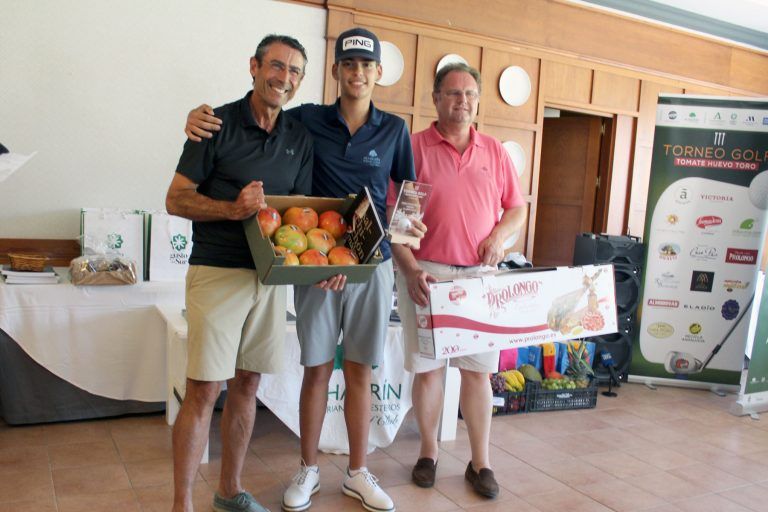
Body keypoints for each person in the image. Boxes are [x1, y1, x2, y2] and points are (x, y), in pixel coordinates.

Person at [185, 28, 419, 512]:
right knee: (315, 368)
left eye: (366, 66)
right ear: (335, 72)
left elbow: (408, 198)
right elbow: (259, 113)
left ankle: (358, 471)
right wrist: (196, 118)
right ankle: (308, 468)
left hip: (369, 265)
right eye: (348, 66)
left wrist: (404, 242)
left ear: (378, 73)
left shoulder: (394, 130)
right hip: (315, 259)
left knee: (360, 369)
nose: (357, 74)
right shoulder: (306, 120)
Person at [166, 34, 316, 512]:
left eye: (294, 71)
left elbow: (301, 214)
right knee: (205, 389)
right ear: (254, 67)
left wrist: (318, 265)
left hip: (271, 279)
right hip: (217, 271)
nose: (284, 78)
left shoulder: (299, 138)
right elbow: (175, 198)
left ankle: (229, 492)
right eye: (276, 66)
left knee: (249, 384)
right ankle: (182, 503)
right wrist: (233, 209)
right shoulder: (215, 124)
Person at [389, 62, 526, 499]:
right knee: (429, 373)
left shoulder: (495, 152)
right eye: (452, 93)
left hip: (481, 281)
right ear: (435, 98)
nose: (461, 101)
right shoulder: (415, 149)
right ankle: (428, 454)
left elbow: (515, 208)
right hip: (427, 276)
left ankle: (480, 461)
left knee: (477, 375)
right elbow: (400, 223)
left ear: (478, 100)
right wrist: (410, 270)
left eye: (469, 93)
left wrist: (499, 237)